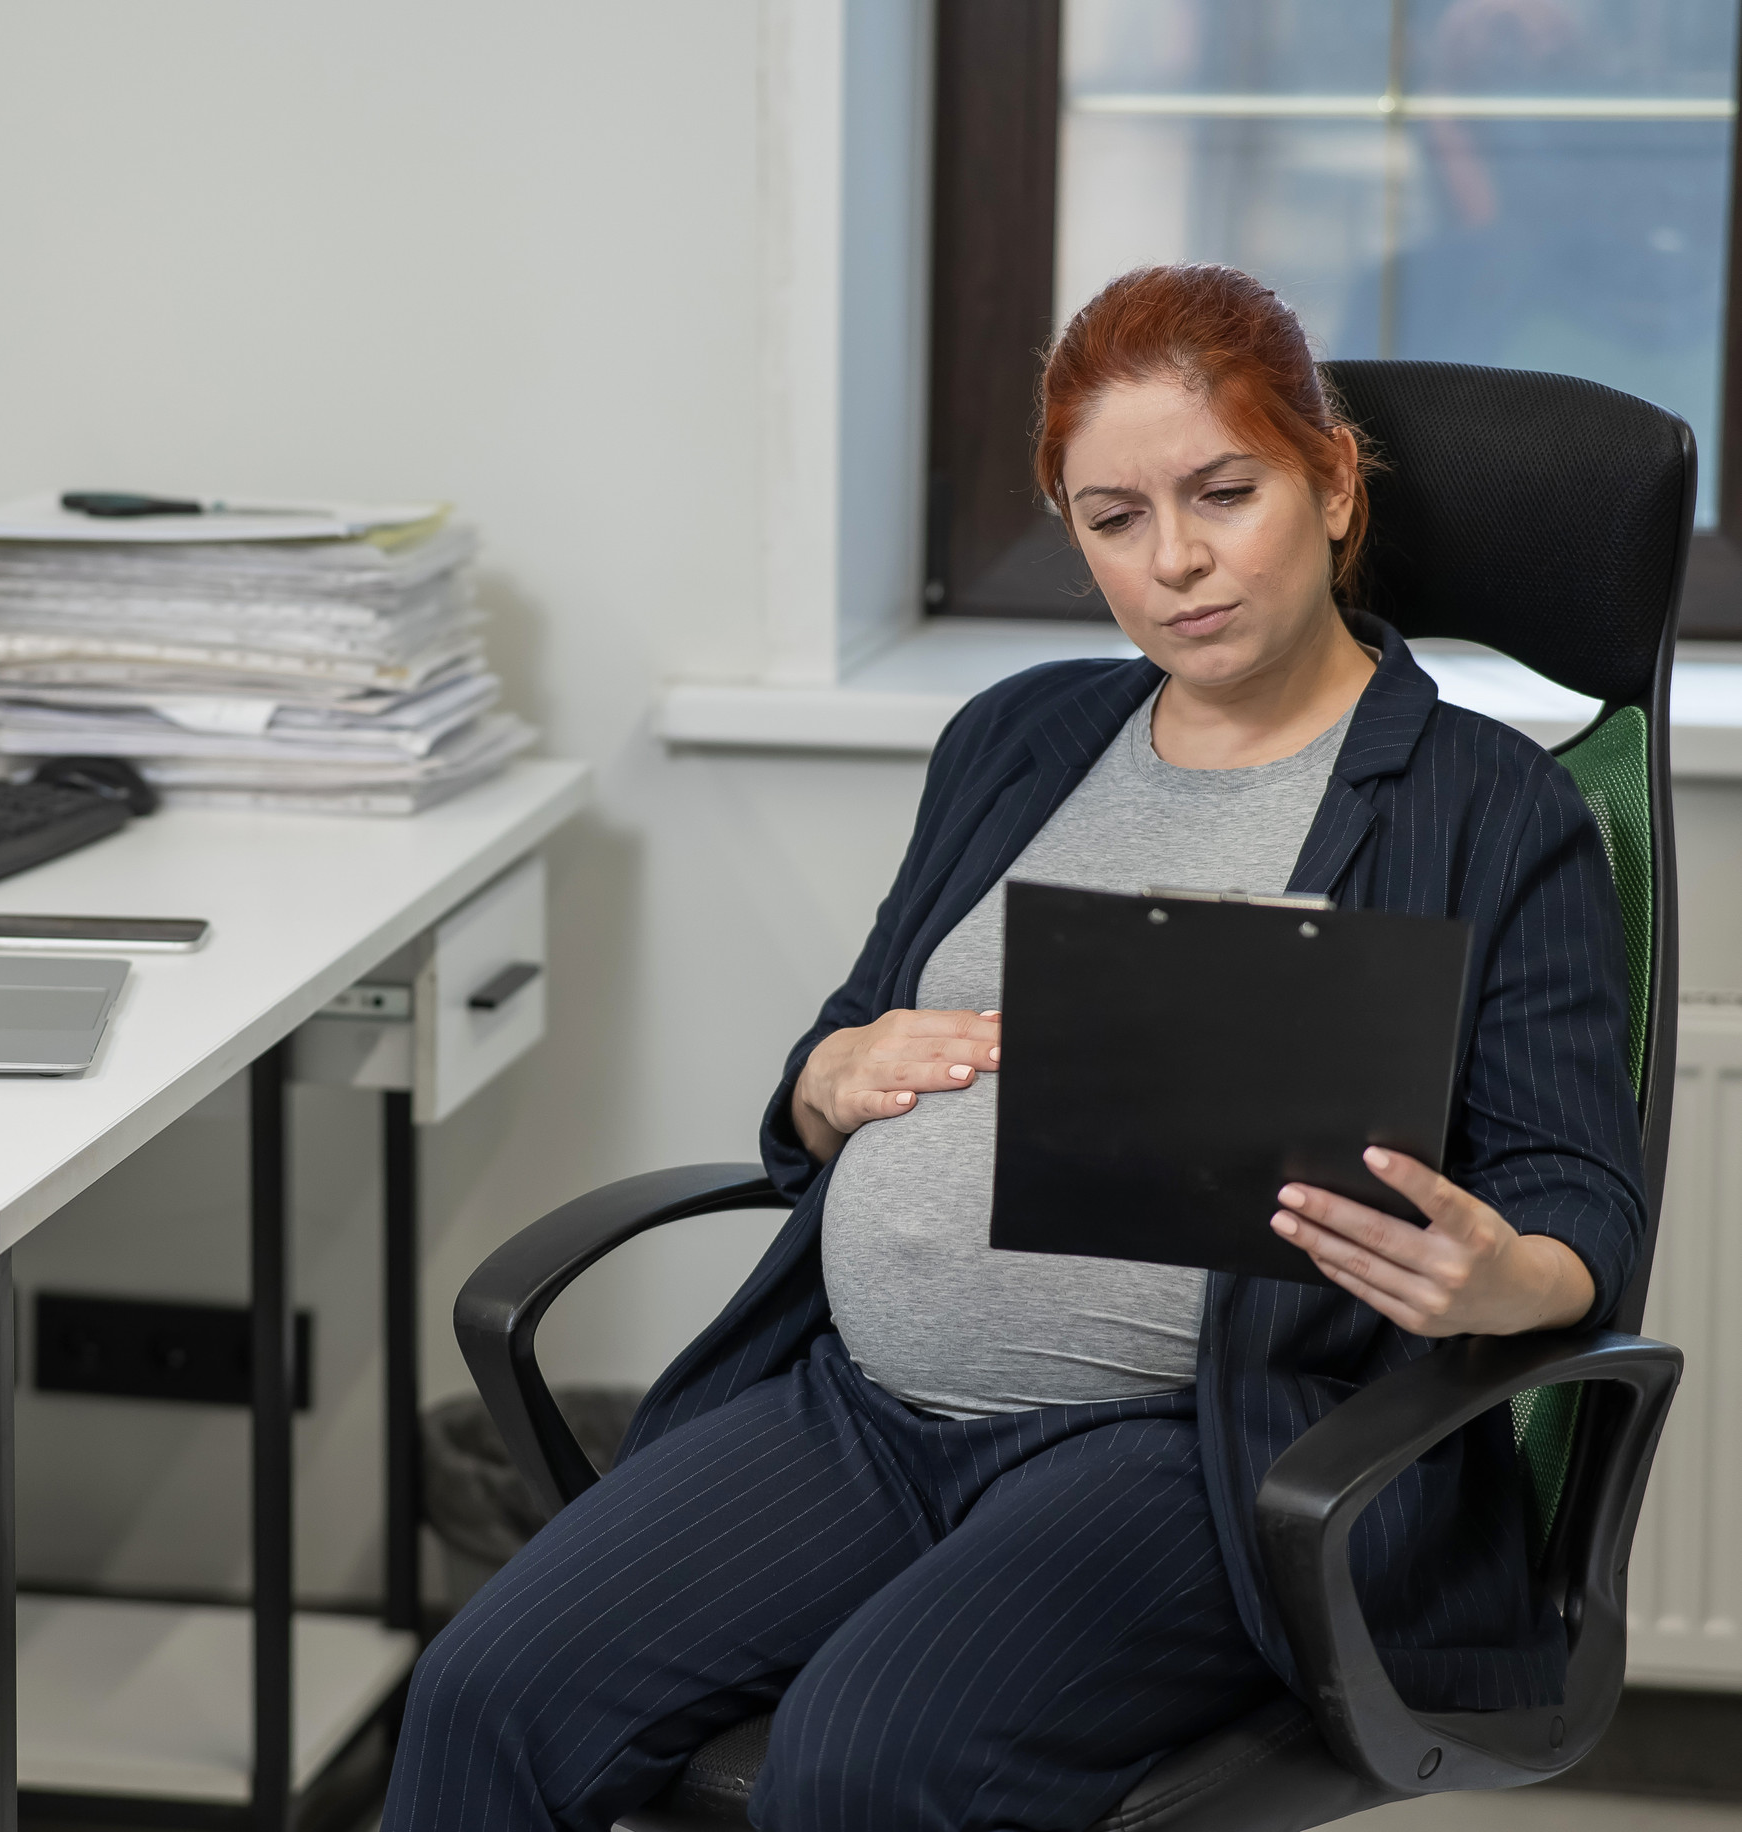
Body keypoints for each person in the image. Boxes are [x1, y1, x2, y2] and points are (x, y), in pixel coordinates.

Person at [384, 265, 1645, 1832]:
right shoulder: (1020, 737)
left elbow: (1577, 1196)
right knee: (487, 1695)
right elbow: (842, 1051)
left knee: (864, 1764)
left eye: (1222, 492)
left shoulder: (1483, 810)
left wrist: (1502, 1276)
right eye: (1112, 519)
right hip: (855, 1408)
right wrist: (823, 1081)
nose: (1173, 560)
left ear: (1330, 486)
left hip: (1182, 1449)